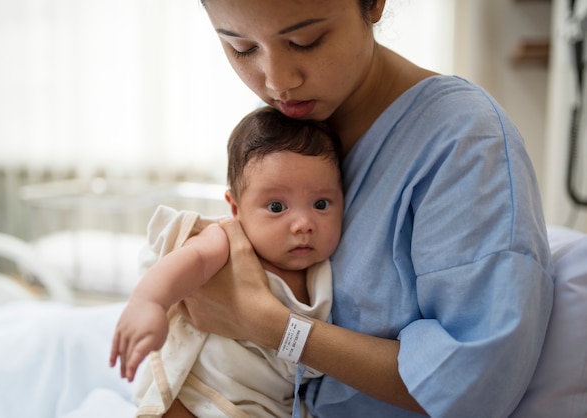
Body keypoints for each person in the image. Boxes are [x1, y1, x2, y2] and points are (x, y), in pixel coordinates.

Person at [176, 1, 556, 417]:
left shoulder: (464, 143)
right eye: (242, 48)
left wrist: (272, 327)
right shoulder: (284, 132)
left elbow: (474, 382)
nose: (278, 81)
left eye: (306, 40)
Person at [110, 106, 345, 417]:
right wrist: (149, 302)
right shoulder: (229, 240)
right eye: (276, 206)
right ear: (235, 208)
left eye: (320, 204)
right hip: (198, 392)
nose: (303, 223)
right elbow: (189, 260)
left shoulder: (328, 274)